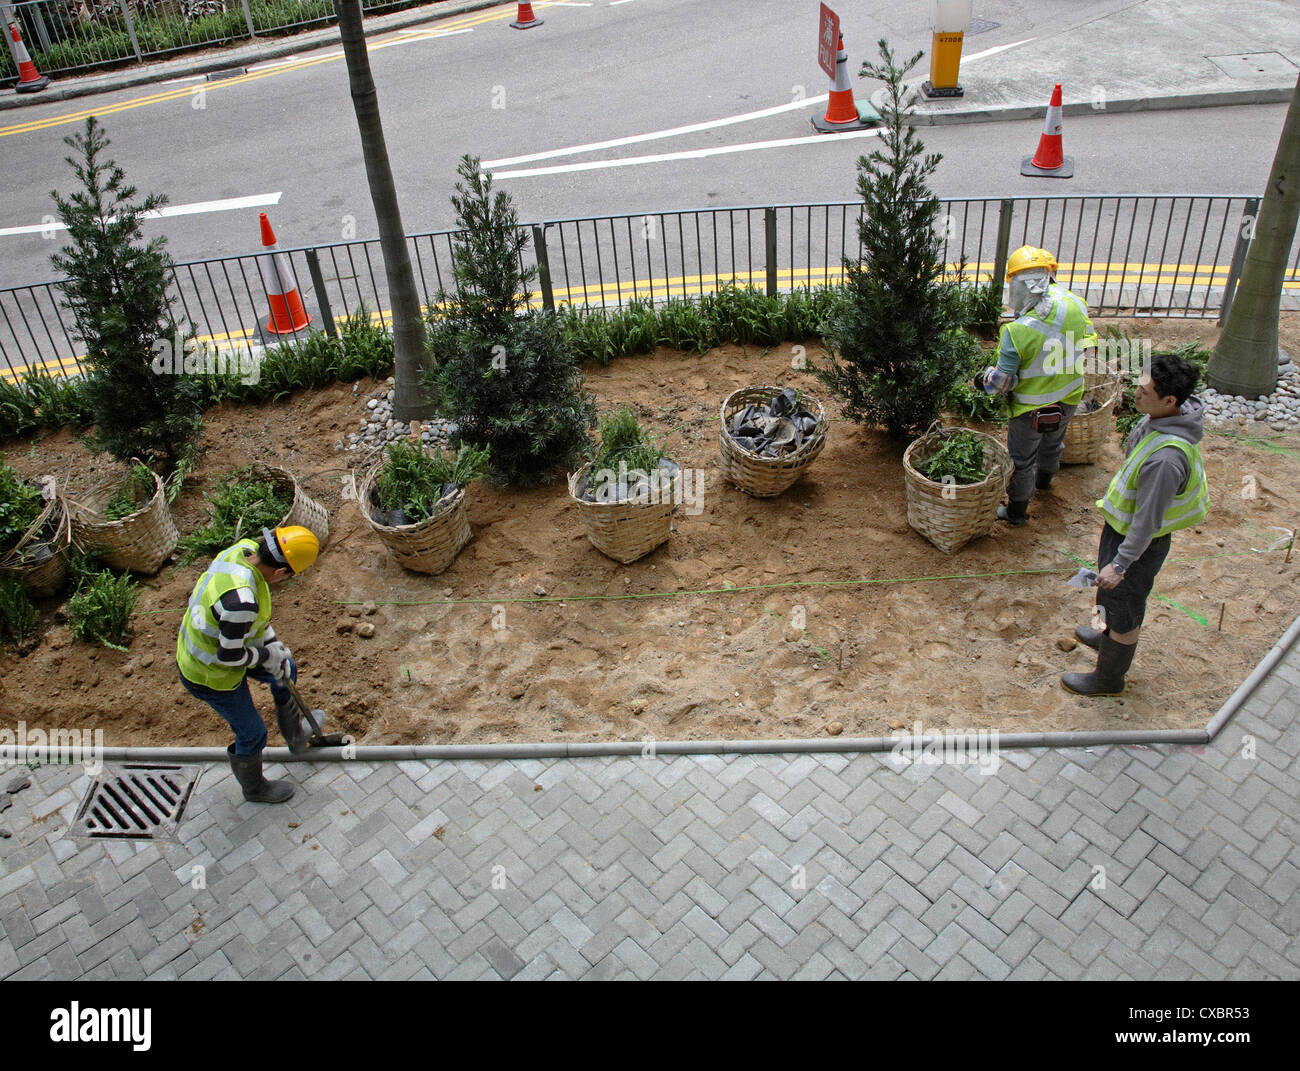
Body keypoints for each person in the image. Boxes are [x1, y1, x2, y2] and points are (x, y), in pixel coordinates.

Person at [1062, 352, 1208, 696]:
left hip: (1137, 543)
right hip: (1122, 530)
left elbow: (1147, 521)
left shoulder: (1166, 460)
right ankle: (1107, 637)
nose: (1136, 393)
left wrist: (1121, 564)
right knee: (1113, 600)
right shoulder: (1160, 418)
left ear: (1170, 400)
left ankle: (1108, 679)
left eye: (1145, 390)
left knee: (1124, 605)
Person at [176, 525, 320, 803]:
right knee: (252, 732)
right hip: (209, 673)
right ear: (280, 572)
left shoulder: (241, 551)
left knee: (286, 668)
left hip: (227, 644)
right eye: (290, 576)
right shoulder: (240, 602)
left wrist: (272, 643)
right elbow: (228, 657)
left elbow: (251, 623)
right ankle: (254, 789)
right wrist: (266, 656)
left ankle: (296, 738)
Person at [974, 245, 1098, 526]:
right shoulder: (1076, 304)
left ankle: (1017, 512)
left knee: (1021, 460)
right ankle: (1045, 482)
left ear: (1016, 284)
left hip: (1029, 409)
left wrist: (983, 380)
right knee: (1053, 444)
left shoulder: (1017, 332)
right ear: (1050, 274)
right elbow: (1090, 346)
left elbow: (1002, 384)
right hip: (1068, 397)